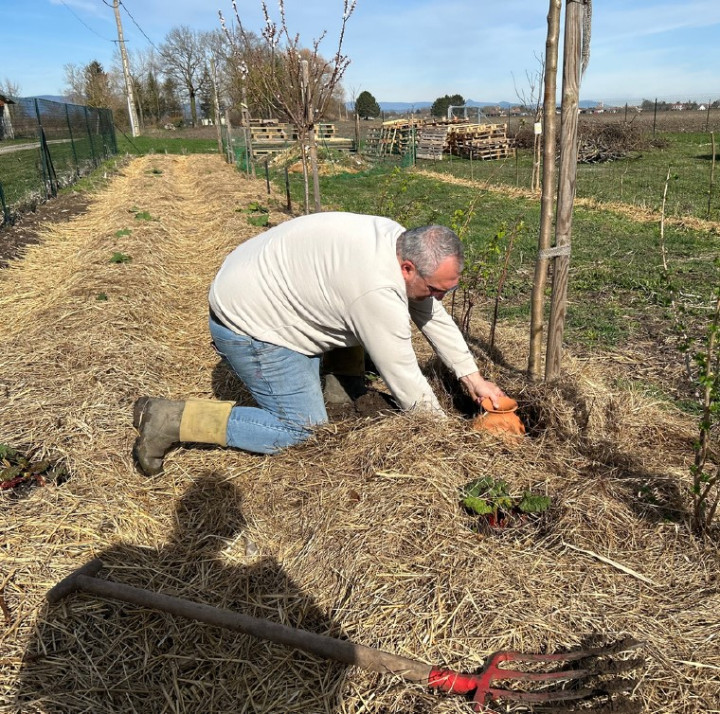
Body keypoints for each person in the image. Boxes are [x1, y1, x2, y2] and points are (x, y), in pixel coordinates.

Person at [133, 212, 505, 476]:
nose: (438, 297)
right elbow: (404, 375)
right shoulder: (375, 289)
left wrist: (474, 380)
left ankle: (339, 391)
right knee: (300, 431)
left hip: (263, 281)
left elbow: (430, 312)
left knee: (366, 322)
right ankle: (170, 419)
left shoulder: (396, 240)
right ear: (408, 267)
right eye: (437, 288)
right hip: (251, 322)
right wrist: (444, 437)